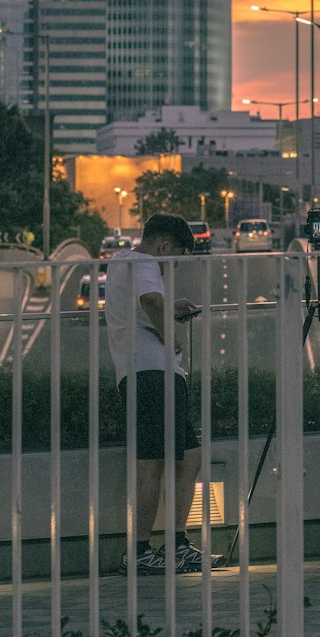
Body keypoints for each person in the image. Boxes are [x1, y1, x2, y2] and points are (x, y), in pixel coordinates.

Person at [104, 212, 223, 575]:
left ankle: (176, 544)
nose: (171, 268)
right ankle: (140, 552)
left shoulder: (121, 262)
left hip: (149, 373)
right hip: (152, 373)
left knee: (189, 458)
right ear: (163, 246)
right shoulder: (144, 261)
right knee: (151, 464)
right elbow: (150, 302)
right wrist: (170, 336)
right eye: (174, 259)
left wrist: (173, 309)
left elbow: (144, 305)